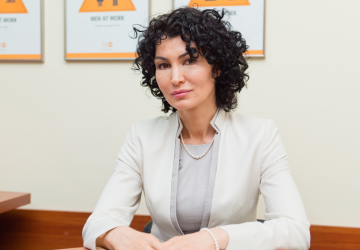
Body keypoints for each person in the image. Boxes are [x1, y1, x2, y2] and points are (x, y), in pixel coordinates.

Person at [82, 7, 310, 250]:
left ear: (217, 67)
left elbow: (296, 231)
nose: (176, 78)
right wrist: (116, 234)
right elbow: (98, 223)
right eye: (163, 65)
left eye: (190, 60)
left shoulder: (260, 135)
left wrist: (215, 239)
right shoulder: (142, 137)